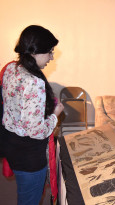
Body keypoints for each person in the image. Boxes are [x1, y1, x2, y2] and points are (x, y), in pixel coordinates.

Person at [0, 25, 64, 205]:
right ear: (35, 51)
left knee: (25, 193)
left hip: (11, 144)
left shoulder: (12, 68)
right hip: (28, 154)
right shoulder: (33, 82)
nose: (52, 57)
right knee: (29, 200)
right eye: (50, 52)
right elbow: (36, 131)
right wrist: (55, 114)